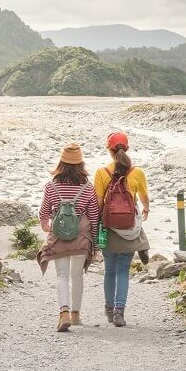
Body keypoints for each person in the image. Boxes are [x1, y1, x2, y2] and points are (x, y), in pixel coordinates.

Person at [36, 143, 100, 332]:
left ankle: (63, 312)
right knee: (77, 275)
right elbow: (94, 217)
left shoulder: (51, 186)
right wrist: (95, 244)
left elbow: (44, 212)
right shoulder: (88, 188)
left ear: (61, 163)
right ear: (80, 164)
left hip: (59, 237)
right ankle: (76, 314)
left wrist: (45, 225)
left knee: (62, 275)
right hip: (81, 238)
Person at [94, 131, 150, 327]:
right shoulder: (138, 172)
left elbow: (99, 204)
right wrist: (146, 209)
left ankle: (109, 311)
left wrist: (97, 226)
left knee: (109, 270)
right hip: (128, 230)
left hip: (109, 229)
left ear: (109, 150)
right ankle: (119, 313)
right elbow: (143, 199)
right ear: (127, 148)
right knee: (123, 271)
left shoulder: (102, 172)